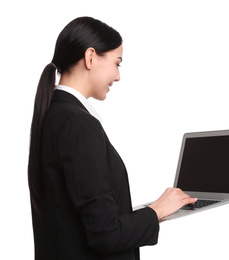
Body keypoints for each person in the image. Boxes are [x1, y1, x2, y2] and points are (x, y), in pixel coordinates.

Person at [28, 16, 197, 260]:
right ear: (90, 57)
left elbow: (77, 217)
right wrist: (156, 210)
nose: (117, 76)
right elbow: (105, 235)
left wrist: (139, 213)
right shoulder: (77, 124)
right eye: (117, 63)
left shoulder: (53, 114)